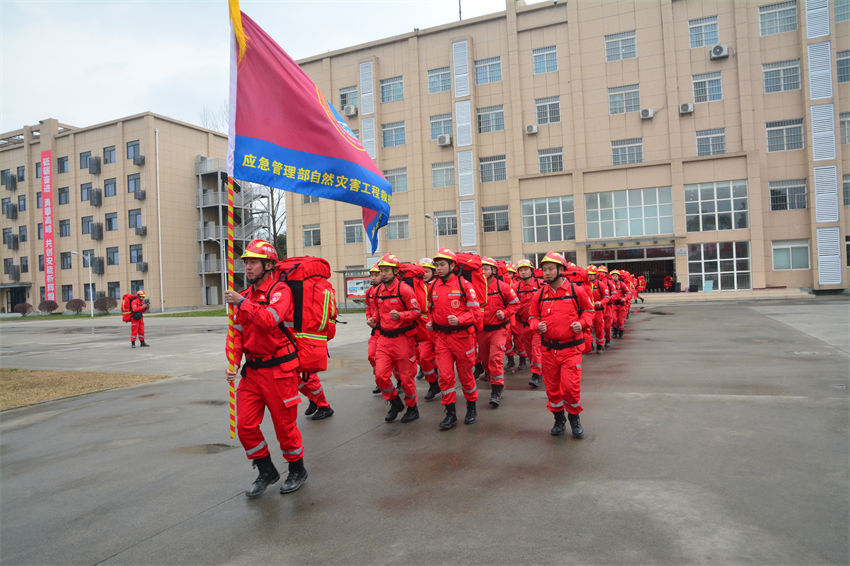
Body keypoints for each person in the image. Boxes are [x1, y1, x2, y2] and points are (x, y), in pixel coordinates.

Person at [224, 239, 307, 498]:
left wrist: (241, 303)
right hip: (253, 373)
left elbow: (270, 319)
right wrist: (233, 364)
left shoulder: (280, 291)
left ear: (268, 264)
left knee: (285, 427)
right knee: (245, 426)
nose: (247, 267)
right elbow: (236, 334)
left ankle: (297, 470)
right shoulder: (245, 296)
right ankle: (266, 469)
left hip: (280, 371)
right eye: (246, 262)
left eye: (253, 262)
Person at [528, 251, 594, 438]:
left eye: (550, 269)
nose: (547, 273)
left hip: (571, 349)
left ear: (561, 269)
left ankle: (574, 419)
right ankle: (558, 419)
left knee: (570, 387)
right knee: (552, 389)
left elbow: (589, 311)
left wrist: (581, 324)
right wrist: (536, 325)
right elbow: (532, 317)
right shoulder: (539, 295)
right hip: (548, 350)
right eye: (544, 270)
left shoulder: (576, 291)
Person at [427, 248, 482, 430]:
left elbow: (475, 313)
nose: (439, 268)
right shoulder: (433, 287)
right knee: (445, 376)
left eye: (442, 265)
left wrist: (460, 319)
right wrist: (430, 322)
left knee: (466, 376)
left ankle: (471, 407)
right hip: (442, 338)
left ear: (452, 265)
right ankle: (450, 414)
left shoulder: (465, 285)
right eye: (437, 265)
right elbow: (430, 310)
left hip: (463, 338)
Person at [367, 253, 421, 424]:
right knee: (380, 376)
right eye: (381, 270)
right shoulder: (378, 291)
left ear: (395, 271)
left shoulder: (404, 289)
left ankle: (412, 408)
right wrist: (373, 320)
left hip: (403, 340)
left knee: (406, 378)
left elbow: (417, 311)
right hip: (384, 339)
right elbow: (377, 311)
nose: (382, 274)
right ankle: (395, 402)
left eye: (386, 270)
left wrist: (402, 315)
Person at [477, 257, 520, 407]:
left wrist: (506, 313)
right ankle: (490, 376)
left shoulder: (503, 287)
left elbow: (516, 304)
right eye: (481, 268)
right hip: (481, 331)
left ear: (494, 271)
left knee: (495, 358)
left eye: (486, 268)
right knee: (484, 359)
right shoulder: (475, 288)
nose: (483, 271)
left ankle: (497, 388)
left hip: (499, 329)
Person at [513, 259, 543, 387]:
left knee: (536, 349)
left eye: (526, 269)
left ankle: (536, 374)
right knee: (529, 351)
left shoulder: (541, 284)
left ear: (531, 270)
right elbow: (511, 304)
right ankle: (538, 369)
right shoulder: (515, 287)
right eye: (521, 270)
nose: (523, 272)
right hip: (523, 325)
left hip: (537, 324)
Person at [418, 257, 441, 401]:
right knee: (424, 358)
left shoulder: (439, 285)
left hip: (438, 328)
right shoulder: (415, 286)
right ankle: (433, 384)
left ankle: (444, 385)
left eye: (427, 271)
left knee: (441, 360)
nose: (424, 274)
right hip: (423, 328)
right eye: (422, 271)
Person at [365, 265, 382, 395]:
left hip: (388, 331)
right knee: (371, 356)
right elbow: (368, 308)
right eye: (371, 275)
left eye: (376, 275)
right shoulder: (369, 291)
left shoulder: (389, 290)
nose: (373, 278)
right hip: (375, 330)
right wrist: (369, 319)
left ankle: (399, 382)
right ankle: (379, 382)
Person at [586, 266, 609, 355]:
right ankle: (589, 344)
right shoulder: (585, 285)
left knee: (599, 328)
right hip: (588, 311)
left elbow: (607, 297)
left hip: (598, 310)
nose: (590, 277)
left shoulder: (600, 284)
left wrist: (601, 302)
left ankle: (599, 345)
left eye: (592, 275)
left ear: (596, 275)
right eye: (589, 275)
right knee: (588, 329)